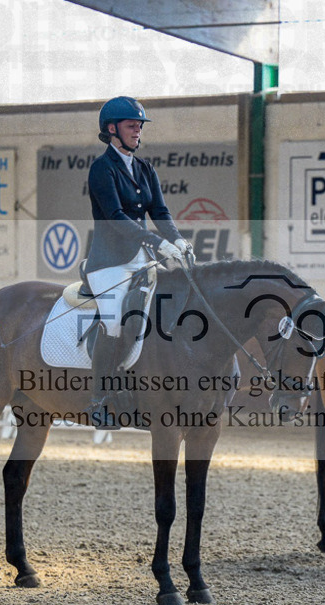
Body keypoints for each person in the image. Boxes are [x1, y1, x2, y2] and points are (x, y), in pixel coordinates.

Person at [85, 96, 191, 429]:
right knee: (116, 320)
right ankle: (100, 399)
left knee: (159, 314)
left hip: (141, 260)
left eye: (139, 126)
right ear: (112, 129)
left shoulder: (145, 169)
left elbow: (159, 211)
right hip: (108, 263)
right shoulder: (102, 169)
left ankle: (140, 394)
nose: (137, 131)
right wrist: (157, 242)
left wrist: (176, 239)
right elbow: (115, 217)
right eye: (132, 125)